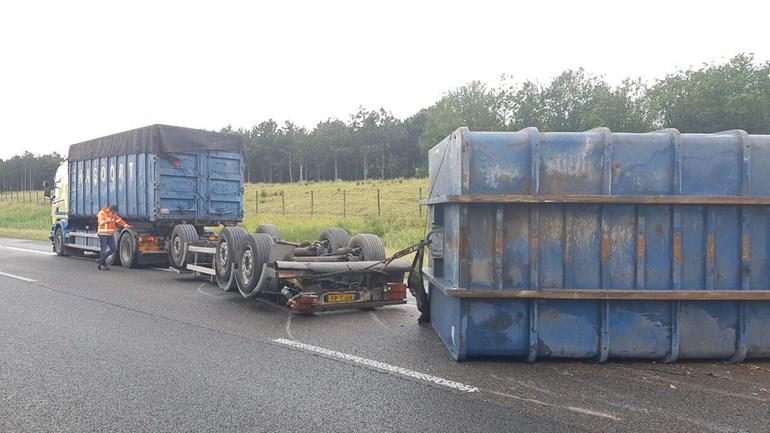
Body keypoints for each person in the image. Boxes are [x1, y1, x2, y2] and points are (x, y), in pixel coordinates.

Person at [96, 205, 130, 270]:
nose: (115, 214)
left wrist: (125, 225)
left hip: (110, 234)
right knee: (103, 249)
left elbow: (119, 220)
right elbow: (101, 222)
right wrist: (110, 218)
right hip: (102, 234)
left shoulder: (113, 215)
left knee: (113, 248)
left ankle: (100, 260)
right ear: (110, 211)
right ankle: (103, 264)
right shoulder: (101, 213)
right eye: (113, 213)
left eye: (115, 213)